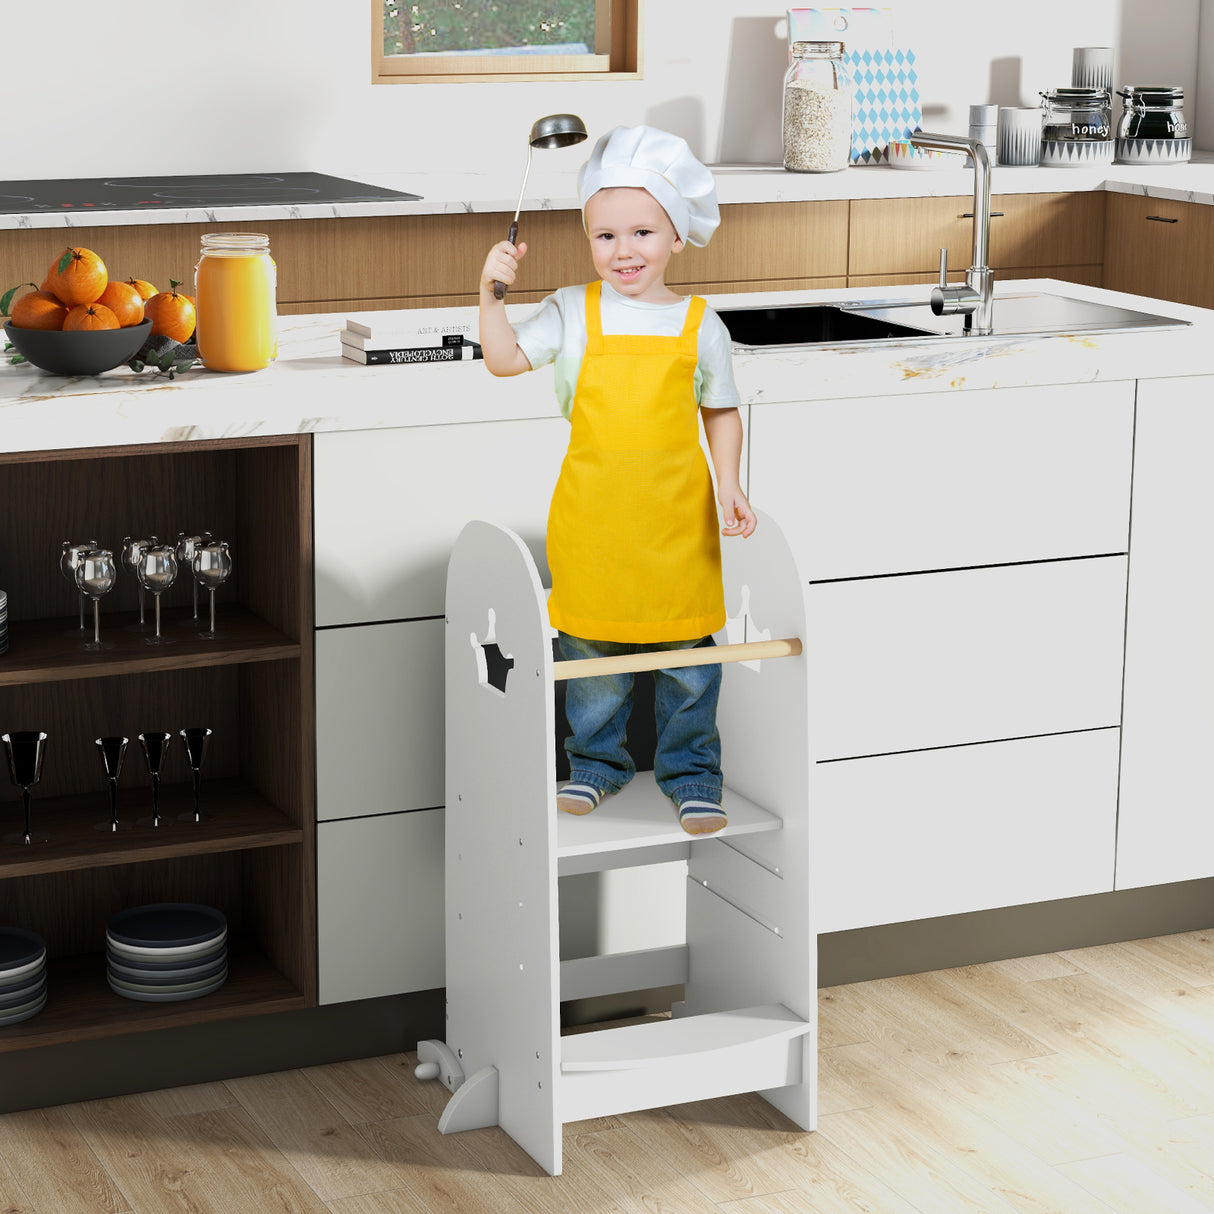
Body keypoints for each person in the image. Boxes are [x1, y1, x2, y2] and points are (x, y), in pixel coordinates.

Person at [478, 124, 756, 836]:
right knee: (591, 655)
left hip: (678, 527)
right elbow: (503, 361)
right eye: (605, 236)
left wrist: (729, 483)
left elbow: (721, 411)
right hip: (594, 525)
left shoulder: (703, 326)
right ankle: (595, 765)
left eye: (642, 232)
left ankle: (691, 775)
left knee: (689, 662)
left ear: (678, 236)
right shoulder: (573, 310)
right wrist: (490, 296)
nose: (623, 251)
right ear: (587, 238)